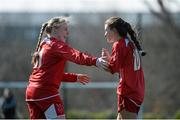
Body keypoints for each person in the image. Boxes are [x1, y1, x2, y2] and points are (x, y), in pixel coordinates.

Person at [26, 16, 107, 119]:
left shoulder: (44, 44)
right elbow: (76, 55)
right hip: (46, 93)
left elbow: (50, 75)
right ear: (55, 28)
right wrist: (95, 61)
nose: (68, 33)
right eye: (65, 29)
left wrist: (75, 77)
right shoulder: (55, 45)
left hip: (31, 93)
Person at [101, 16, 146, 119]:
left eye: (106, 31)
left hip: (128, 92)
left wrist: (100, 62)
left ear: (114, 30)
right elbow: (121, 64)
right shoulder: (129, 43)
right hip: (136, 91)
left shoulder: (119, 44)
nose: (105, 34)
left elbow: (113, 68)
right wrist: (110, 59)